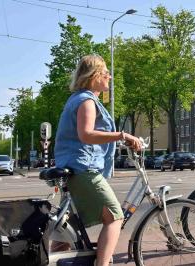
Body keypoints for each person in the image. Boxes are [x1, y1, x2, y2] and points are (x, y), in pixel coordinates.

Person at [53, 55, 143, 266]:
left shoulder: (75, 98)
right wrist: (123, 136)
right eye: (105, 73)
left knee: (65, 228)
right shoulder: (86, 101)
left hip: (71, 167)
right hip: (82, 168)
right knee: (115, 217)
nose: (109, 77)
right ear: (94, 76)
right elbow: (86, 134)